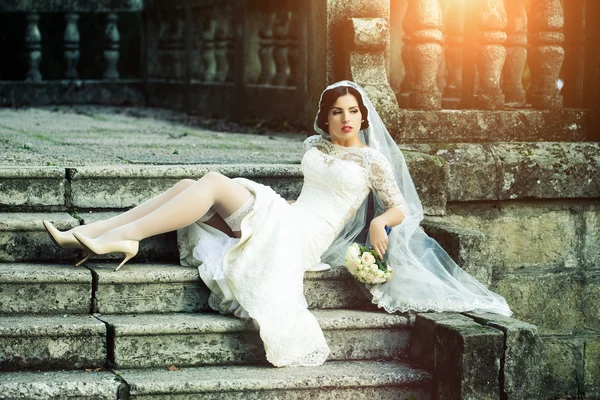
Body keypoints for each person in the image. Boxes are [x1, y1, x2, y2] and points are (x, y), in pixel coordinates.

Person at [42, 81, 512, 368]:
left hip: (303, 239)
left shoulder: (372, 160)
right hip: (289, 217)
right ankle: (103, 232)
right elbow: (310, 193)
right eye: (336, 111)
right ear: (325, 117)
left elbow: (401, 207)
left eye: (353, 111)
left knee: (209, 182)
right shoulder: (318, 146)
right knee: (190, 180)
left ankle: (121, 238)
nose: (345, 119)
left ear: (363, 117)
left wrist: (379, 226)